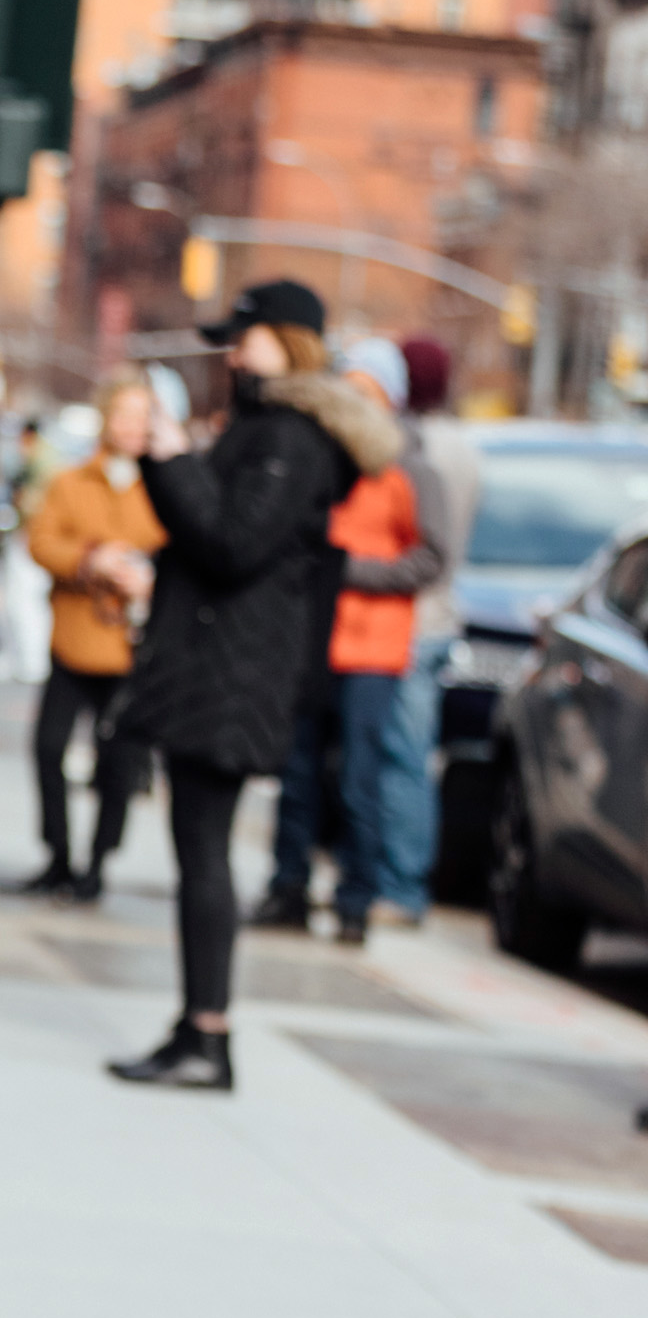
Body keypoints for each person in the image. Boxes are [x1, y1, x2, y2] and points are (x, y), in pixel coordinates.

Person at [105, 279, 395, 1092]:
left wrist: (171, 460)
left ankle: (207, 1034)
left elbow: (233, 544)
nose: (234, 354)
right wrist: (171, 465)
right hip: (219, 666)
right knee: (196, 847)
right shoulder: (271, 429)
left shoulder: (289, 436)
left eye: (247, 337)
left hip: (232, 673)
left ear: (287, 341)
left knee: (203, 851)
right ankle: (198, 1026)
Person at [253, 336, 438, 945]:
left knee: (360, 776)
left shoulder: (408, 466)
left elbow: (430, 557)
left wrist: (348, 570)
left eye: (366, 390)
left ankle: (357, 897)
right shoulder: (320, 454)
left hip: (373, 648)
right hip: (312, 637)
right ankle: (288, 885)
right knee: (297, 769)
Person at [14, 373, 165, 901]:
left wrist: (146, 577)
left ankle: (98, 863)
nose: (132, 426)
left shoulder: (165, 485)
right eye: (124, 413)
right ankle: (57, 854)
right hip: (74, 638)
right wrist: (90, 559)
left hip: (130, 648)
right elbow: (40, 542)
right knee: (48, 749)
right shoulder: (71, 481)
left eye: (142, 416)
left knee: (117, 761)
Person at [376, 335, 481, 923]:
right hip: (441, 616)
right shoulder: (465, 446)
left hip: (412, 620)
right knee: (409, 755)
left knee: (402, 757)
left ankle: (402, 887)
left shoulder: (418, 449)